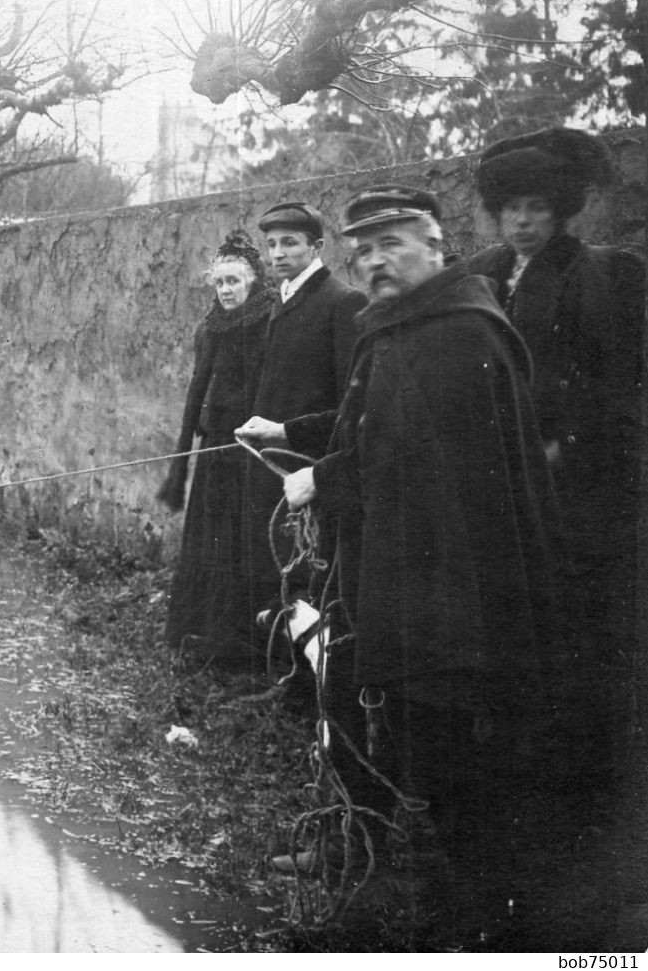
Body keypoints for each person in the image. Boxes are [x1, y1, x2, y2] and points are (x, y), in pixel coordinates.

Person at [236, 187, 563, 933]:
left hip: (451, 585)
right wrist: (293, 432)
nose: (376, 262)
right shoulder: (405, 326)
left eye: (392, 246)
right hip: (394, 565)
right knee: (352, 695)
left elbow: (409, 454)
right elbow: (370, 423)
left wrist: (322, 477)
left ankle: (485, 920)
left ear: (435, 245)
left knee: (444, 748)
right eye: (365, 251)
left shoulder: (457, 333)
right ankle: (354, 844)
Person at [461, 128, 645, 805]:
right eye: (509, 207)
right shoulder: (481, 271)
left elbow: (612, 386)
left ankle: (576, 780)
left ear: (560, 208)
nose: (521, 220)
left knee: (571, 625)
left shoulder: (598, 273)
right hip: (494, 481)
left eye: (535, 206)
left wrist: (563, 444)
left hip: (570, 487)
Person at [158, 232, 277, 669]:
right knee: (207, 541)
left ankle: (236, 647)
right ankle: (200, 632)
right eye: (219, 283)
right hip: (214, 450)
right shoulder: (209, 328)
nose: (226, 291)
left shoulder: (267, 322)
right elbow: (197, 391)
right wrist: (185, 455)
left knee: (238, 543)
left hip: (250, 452)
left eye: (233, 282)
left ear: (252, 282)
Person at [244, 201, 368, 618]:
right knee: (282, 567)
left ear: (316, 247)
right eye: (272, 244)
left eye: (290, 243)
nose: (277, 253)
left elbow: (349, 403)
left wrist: (293, 434)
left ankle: (308, 679)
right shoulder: (280, 300)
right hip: (276, 459)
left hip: (312, 464)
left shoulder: (341, 302)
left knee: (311, 572)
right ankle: (285, 668)